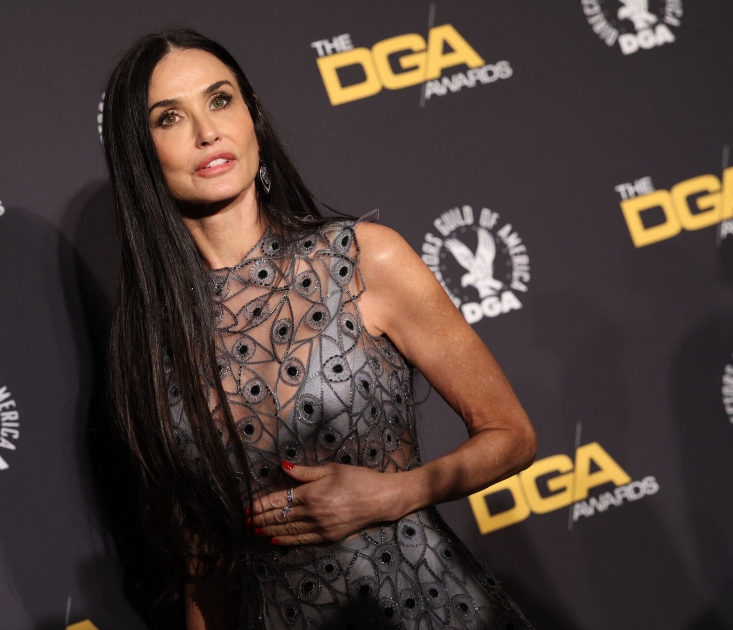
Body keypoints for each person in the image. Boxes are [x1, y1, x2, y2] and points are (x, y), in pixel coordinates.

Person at [101, 27, 538, 630]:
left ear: (252, 115)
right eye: (169, 118)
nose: (207, 132)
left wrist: (401, 492)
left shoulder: (363, 259)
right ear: (140, 152)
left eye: (220, 100)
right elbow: (204, 565)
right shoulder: (151, 341)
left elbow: (511, 434)